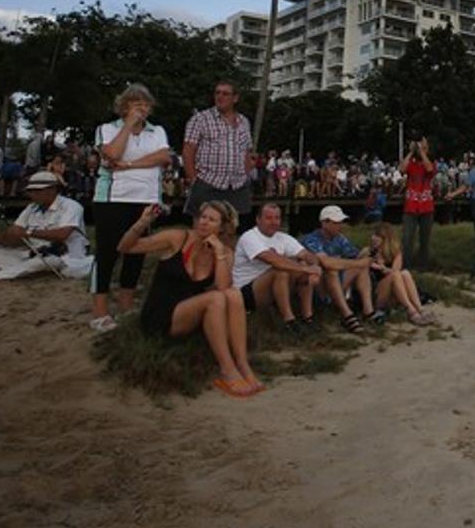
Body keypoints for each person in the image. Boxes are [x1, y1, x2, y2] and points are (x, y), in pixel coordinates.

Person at [121, 201, 262, 398]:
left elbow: (223, 288)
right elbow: (126, 247)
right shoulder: (178, 237)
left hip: (188, 314)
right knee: (215, 299)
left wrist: (219, 253)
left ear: (222, 227)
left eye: (211, 220)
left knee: (233, 294)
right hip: (160, 315)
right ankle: (227, 369)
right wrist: (143, 222)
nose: (203, 222)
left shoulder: (225, 252)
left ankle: (242, 364)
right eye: (202, 217)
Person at [90, 83, 172, 333]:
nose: (144, 109)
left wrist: (129, 165)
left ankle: (126, 305)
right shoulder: (106, 129)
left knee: (136, 252)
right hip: (112, 198)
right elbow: (111, 154)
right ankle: (100, 311)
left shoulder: (157, 131)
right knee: (107, 254)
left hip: (146, 199)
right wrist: (127, 126)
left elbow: (163, 158)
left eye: (147, 105)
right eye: (138, 105)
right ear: (125, 107)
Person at [231, 203, 323, 338]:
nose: (273, 222)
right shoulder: (249, 237)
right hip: (247, 292)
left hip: (273, 287)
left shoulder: (283, 238)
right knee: (280, 270)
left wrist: (314, 268)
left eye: (277, 218)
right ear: (258, 219)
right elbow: (271, 259)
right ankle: (289, 321)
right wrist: (305, 269)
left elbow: (307, 255)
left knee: (300, 265)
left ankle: (308, 318)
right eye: (268, 218)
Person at [0, 171, 92, 283]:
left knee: (41, 263)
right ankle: (19, 271)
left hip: (65, 257)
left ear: (52, 189)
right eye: (31, 191)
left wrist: (28, 232)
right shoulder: (31, 208)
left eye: (37, 191)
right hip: (33, 254)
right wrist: (1, 238)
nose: (33, 195)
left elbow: (62, 235)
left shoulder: (71, 206)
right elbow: (15, 232)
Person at [182, 80, 254, 224]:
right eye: (217, 93)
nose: (220, 96)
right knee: (202, 230)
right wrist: (193, 179)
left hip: (237, 186)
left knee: (231, 230)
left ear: (235, 98)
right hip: (208, 183)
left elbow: (246, 151)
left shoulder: (244, 122)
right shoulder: (200, 119)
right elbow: (188, 151)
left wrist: (245, 174)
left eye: (225, 94)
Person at [298, 205, 371, 334]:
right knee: (332, 270)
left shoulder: (340, 238)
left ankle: (368, 310)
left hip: (336, 282)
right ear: (324, 223)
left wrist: (367, 253)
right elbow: (326, 263)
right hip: (316, 285)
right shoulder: (312, 240)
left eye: (341, 222)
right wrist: (357, 263)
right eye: (336, 222)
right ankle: (347, 314)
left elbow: (354, 255)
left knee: (361, 267)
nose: (340, 225)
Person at [363, 222, 436, 326]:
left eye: (378, 236)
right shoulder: (367, 252)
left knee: (405, 273)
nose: (374, 238)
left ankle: (420, 309)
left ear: (386, 239)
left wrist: (382, 266)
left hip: (394, 294)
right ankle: (412, 312)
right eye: (374, 235)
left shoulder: (395, 253)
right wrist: (372, 261)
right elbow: (358, 267)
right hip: (376, 295)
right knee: (395, 275)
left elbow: (395, 270)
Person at [399, 137, 436, 269]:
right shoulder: (411, 164)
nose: (421, 149)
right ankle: (406, 267)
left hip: (426, 207)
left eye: (424, 147)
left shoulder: (431, 162)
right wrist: (410, 152)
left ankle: (423, 267)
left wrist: (422, 152)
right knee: (407, 239)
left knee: (425, 240)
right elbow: (402, 169)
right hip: (411, 206)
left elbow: (430, 169)